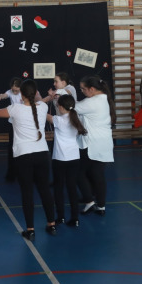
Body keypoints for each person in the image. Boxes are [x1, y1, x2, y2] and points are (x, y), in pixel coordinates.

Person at [0, 79, 56, 240]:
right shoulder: (43, 107)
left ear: (22, 94)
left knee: (27, 192)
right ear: (35, 93)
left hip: (24, 155)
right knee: (44, 190)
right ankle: (51, 224)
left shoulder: (16, 108)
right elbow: (39, 101)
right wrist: (39, 96)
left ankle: (30, 229)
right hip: (42, 154)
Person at [76, 75, 115, 216]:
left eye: (83, 89)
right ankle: (101, 206)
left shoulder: (92, 102)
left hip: (92, 143)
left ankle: (89, 200)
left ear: (92, 89)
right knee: (97, 174)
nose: (82, 91)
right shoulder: (103, 99)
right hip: (104, 142)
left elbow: (72, 107)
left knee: (78, 172)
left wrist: (61, 96)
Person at [47, 94, 86, 227]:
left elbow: (44, 114)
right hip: (74, 157)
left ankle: (61, 217)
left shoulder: (58, 120)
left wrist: (41, 100)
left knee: (58, 188)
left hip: (60, 158)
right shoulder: (76, 118)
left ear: (62, 107)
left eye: (58, 106)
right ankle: (75, 218)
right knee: (72, 189)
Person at [0, 77, 23, 182]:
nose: (14, 92)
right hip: (13, 123)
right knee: (12, 148)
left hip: (23, 123)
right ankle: (11, 174)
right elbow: (4, 95)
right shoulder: (10, 92)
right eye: (13, 90)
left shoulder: (24, 93)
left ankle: (23, 172)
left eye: (17, 90)